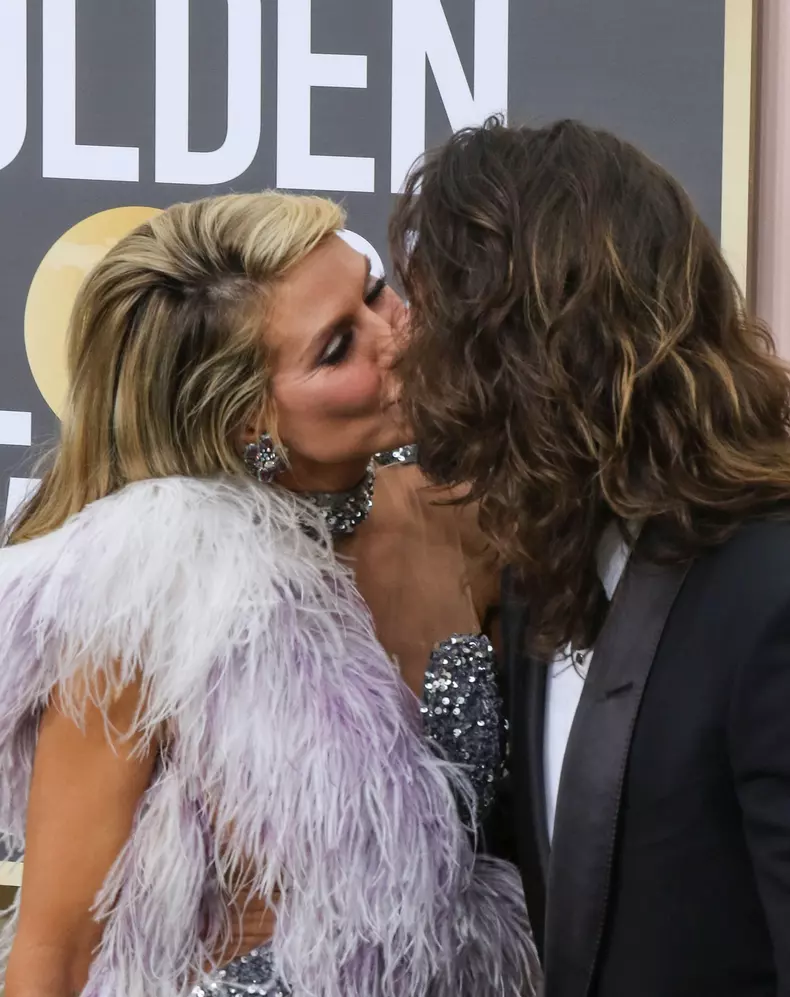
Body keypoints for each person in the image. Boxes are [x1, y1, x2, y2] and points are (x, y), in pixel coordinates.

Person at [0, 191, 537, 997]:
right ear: (250, 421)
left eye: (374, 288)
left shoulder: (463, 522)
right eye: (336, 347)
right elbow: (57, 953)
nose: (396, 334)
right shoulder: (149, 595)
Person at [390, 116, 790, 997]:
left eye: (436, 316)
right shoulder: (542, 564)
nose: (403, 347)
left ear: (530, 345)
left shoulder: (770, 589)